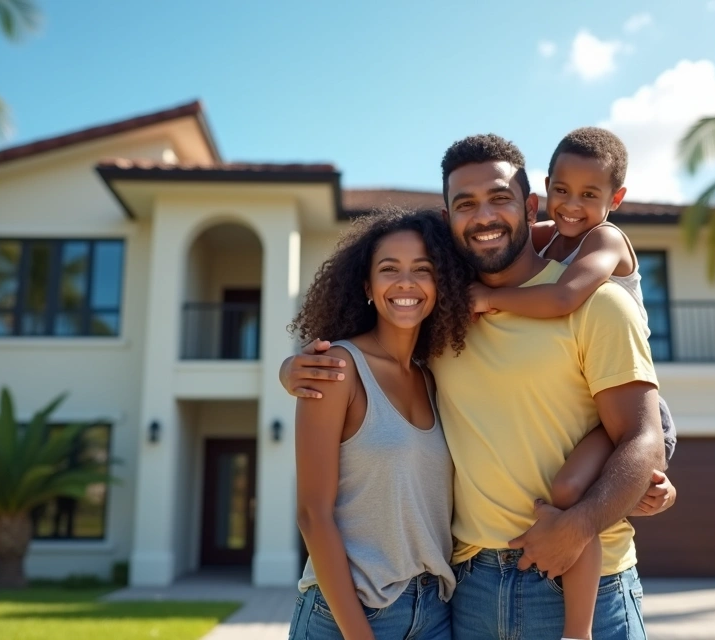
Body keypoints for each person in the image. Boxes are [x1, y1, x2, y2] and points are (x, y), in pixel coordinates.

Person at [284, 134, 666, 640]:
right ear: (448, 218)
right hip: (469, 592)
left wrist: (579, 525)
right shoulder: (444, 318)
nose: (484, 217)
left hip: (583, 581)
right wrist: (296, 367)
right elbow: (375, 351)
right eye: (466, 204)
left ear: (531, 206)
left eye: (500, 199)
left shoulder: (595, 302)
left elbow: (644, 438)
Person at [465, 126, 679, 639]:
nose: (572, 205)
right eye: (562, 191)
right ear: (545, 187)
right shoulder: (549, 233)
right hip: (478, 577)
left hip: (645, 407)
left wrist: (490, 300)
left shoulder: (603, 239)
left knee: (567, 493)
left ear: (616, 199)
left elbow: (564, 298)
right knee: (572, 491)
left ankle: (578, 631)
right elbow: (494, 238)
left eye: (590, 195)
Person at [288, 207, 474, 640]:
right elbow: (312, 514)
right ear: (368, 286)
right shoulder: (337, 367)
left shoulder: (433, 377)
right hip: (347, 615)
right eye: (389, 269)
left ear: (439, 284)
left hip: (433, 612)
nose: (406, 283)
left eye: (422, 270)